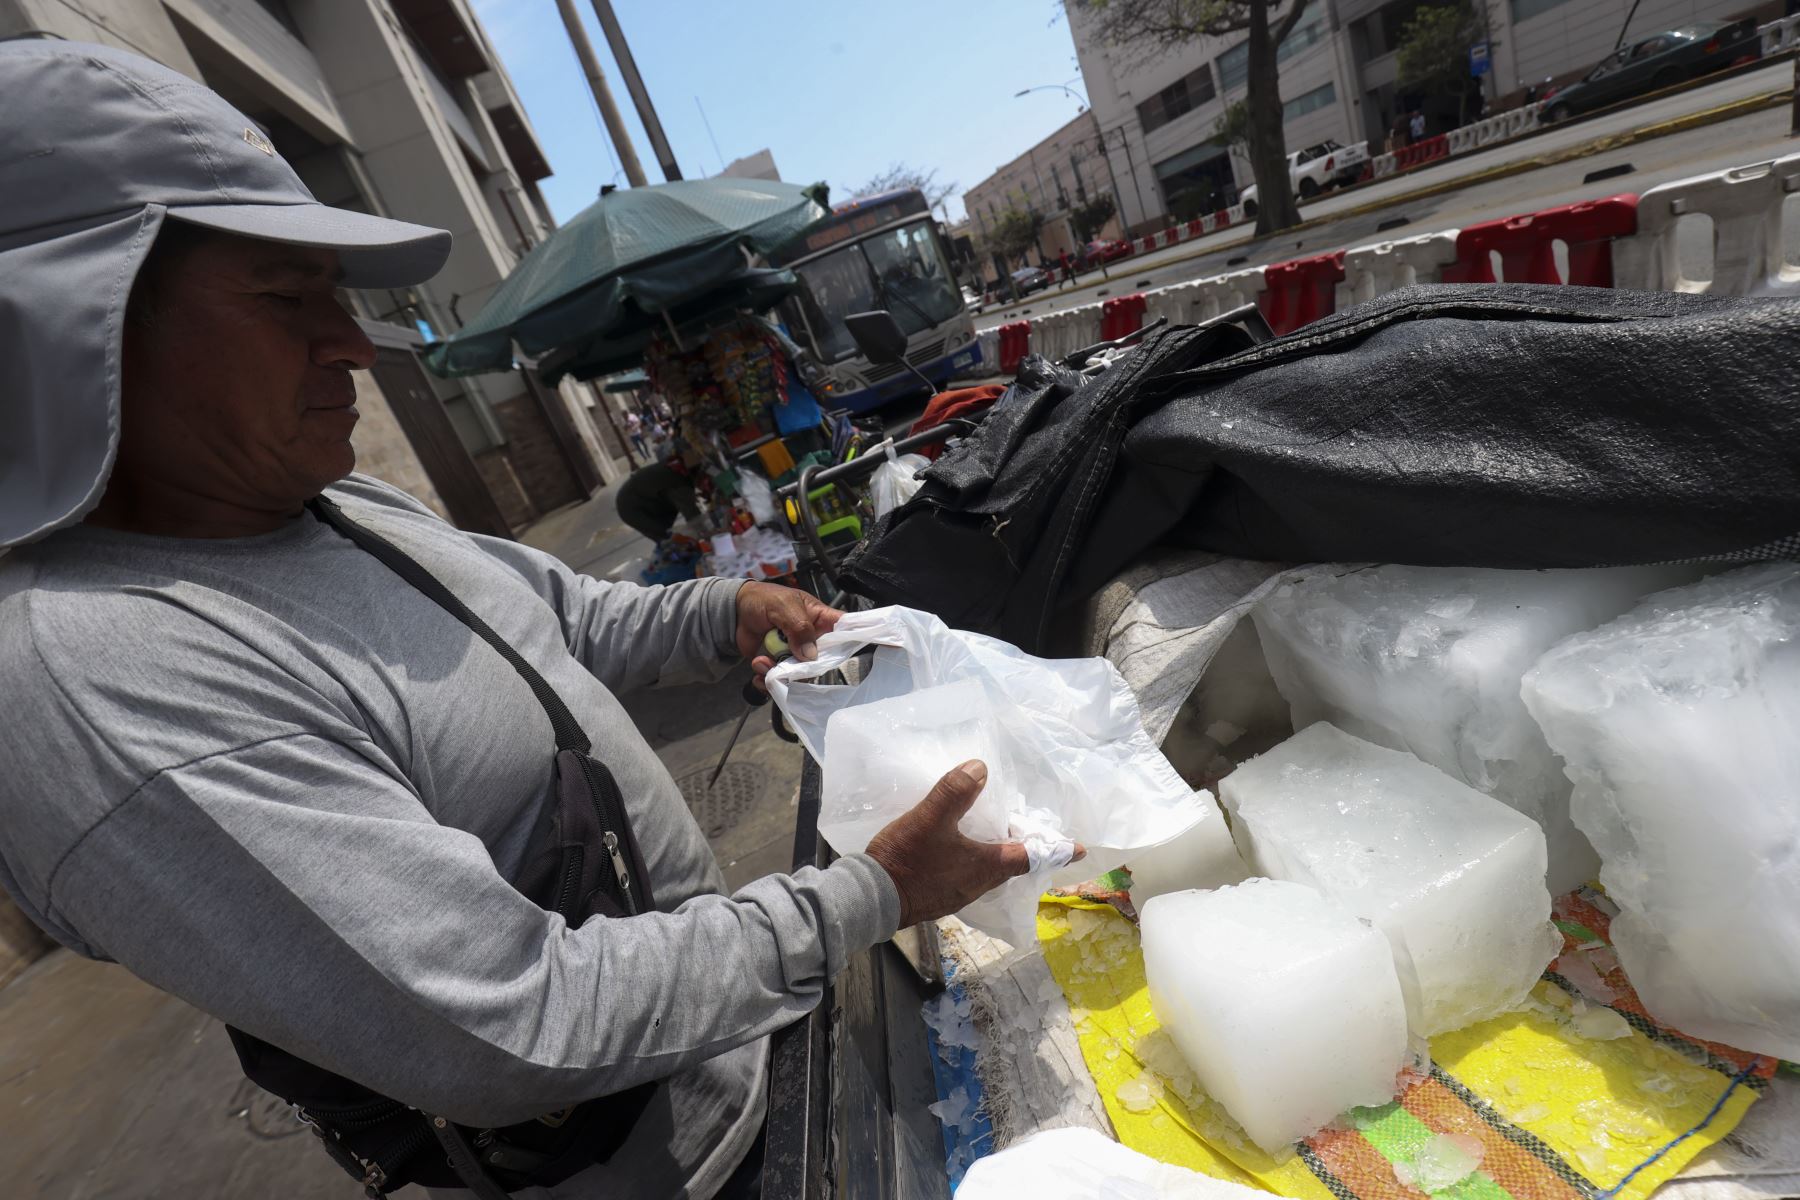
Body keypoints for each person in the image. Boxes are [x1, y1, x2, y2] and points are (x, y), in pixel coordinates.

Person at [0, 41, 1036, 1199]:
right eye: (286, 297)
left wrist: (723, 607)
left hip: (757, 1048)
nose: (349, 342)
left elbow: (556, 619)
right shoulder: (94, 670)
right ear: (72, 339)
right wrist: (869, 895)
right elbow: (510, 1025)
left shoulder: (328, 497)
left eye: (335, 295)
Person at [617, 461, 701, 543]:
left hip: (640, 498)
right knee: (667, 538)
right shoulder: (678, 482)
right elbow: (693, 516)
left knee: (671, 536)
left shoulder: (677, 468)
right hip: (630, 507)